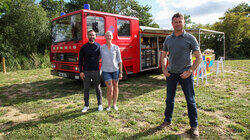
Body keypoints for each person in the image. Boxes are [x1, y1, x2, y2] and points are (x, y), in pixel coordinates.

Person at [160, 13, 202, 137]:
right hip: (171, 74)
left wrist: (190, 71)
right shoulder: (168, 39)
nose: (178, 24)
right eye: (175, 22)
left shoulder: (190, 38)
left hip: (186, 74)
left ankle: (194, 126)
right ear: (172, 24)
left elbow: (199, 58)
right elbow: (163, 55)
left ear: (184, 23)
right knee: (169, 99)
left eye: (180, 21)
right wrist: (164, 68)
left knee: (190, 100)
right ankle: (167, 120)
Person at [79, 30, 103, 112]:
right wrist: (81, 71)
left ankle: (100, 104)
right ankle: (86, 105)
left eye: (93, 35)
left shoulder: (98, 46)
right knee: (86, 89)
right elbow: (80, 61)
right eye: (90, 35)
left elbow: (101, 57)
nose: (92, 36)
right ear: (87, 36)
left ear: (95, 36)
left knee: (98, 88)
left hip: (96, 71)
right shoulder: (83, 47)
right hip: (86, 71)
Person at [100, 31, 123, 111]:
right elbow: (97, 57)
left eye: (110, 36)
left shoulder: (116, 47)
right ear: (105, 37)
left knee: (116, 87)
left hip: (115, 71)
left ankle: (114, 104)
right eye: (107, 36)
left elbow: (120, 61)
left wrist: (120, 72)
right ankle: (109, 105)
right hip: (106, 71)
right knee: (109, 88)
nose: (108, 37)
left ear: (112, 37)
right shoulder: (102, 48)